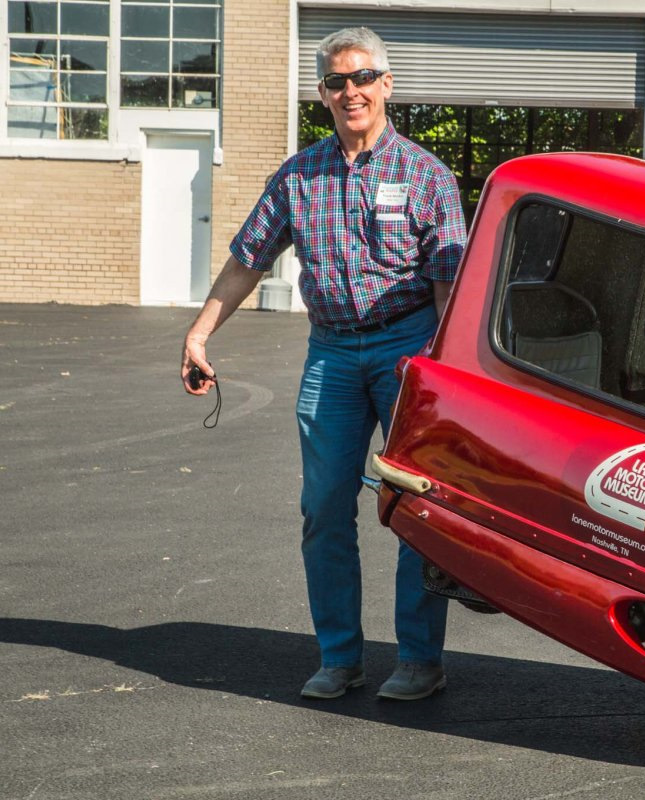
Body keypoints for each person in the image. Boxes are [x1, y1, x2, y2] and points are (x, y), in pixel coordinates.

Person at [181, 26, 465, 702]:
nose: (351, 91)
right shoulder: (299, 176)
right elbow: (249, 258)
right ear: (322, 94)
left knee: (415, 510)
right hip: (332, 354)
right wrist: (198, 334)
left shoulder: (428, 177)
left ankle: (420, 660)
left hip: (409, 352)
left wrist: (449, 371)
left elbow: (450, 285)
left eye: (362, 77)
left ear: (386, 85)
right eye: (337, 81)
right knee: (323, 508)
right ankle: (340, 657)